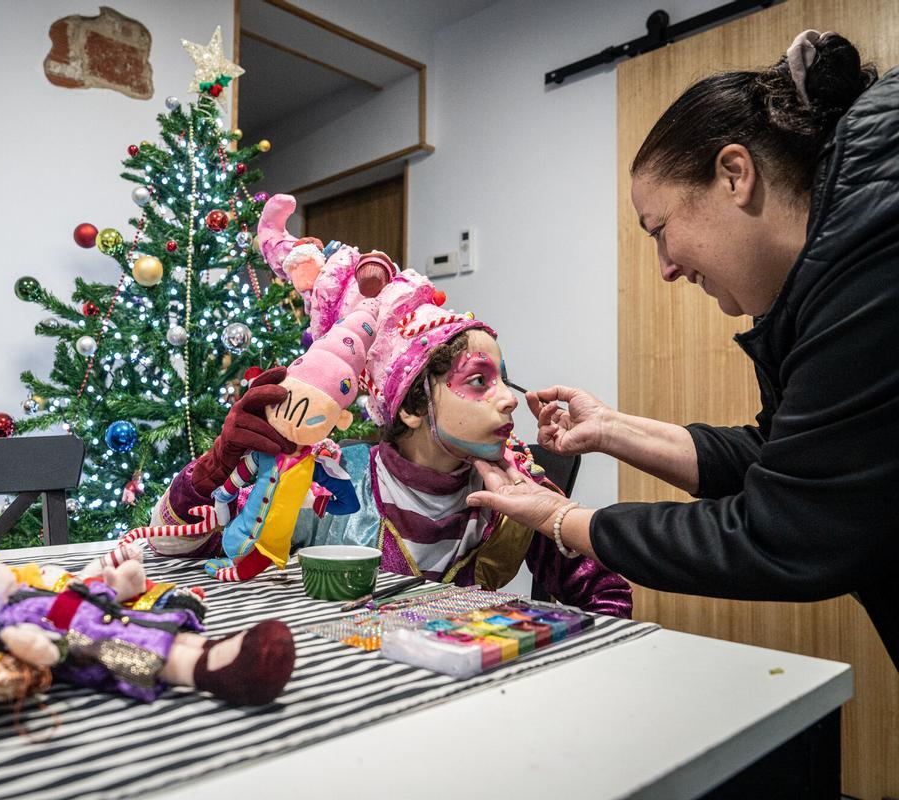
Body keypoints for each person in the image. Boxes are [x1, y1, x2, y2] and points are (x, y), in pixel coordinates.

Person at [465, 32, 899, 665]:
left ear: (734, 175)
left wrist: (558, 518)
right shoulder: (844, 254)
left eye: (661, 230)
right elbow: (782, 457)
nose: (665, 267)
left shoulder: (873, 260)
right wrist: (611, 428)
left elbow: (782, 532)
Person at [141, 263, 632, 617]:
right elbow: (174, 552)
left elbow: (607, 597)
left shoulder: (519, 488)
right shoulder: (329, 479)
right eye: (480, 381)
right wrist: (215, 466)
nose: (507, 400)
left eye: (505, 380)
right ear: (415, 407)